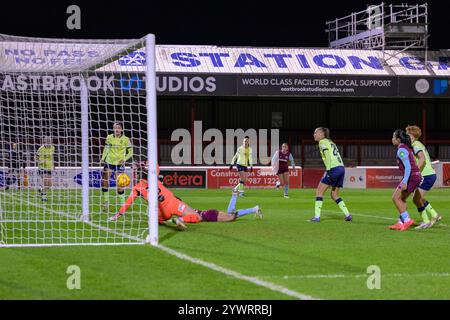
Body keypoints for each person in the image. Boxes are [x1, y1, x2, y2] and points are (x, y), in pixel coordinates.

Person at [109, 162, 263, 230]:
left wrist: (118, 214)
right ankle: (181, 219)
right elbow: (155, 167)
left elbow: (128, 202)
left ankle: (248, 205)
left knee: (158, 219)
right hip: (179, 207)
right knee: (207, 216)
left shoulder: (137, 187)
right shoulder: (154, 179)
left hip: (160, 214)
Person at [310, 127, 352, 222]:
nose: (314, 135)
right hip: (341, 168)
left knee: (319, 192)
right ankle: (348, 215)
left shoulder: (322, 142)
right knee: (334, 194)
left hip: (333, 169)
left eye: (315, 132)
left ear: (321, 133)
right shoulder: (331, 142)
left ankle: (317, 217)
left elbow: (328, 155)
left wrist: (328, 170)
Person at [405, 125, 442, 229]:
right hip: (427, 175)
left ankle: (426, 221)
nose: (405, 136)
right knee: (417, 198)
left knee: (416, 199)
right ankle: (434, 215)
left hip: (427, 175)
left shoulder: (415, 145)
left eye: (407, 134)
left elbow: (422, 160)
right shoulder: (416, 144)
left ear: (412, 135)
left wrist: (415, 172)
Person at [388, 129, 422, 231]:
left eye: (394, 137)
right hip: (414, 176)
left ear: (398, 140)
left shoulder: (401, 150)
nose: (392, 139)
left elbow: (408, 167)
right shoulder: (405, 148)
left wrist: (405, 182)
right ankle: (400, 222)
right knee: (401, 199)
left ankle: (407, 220)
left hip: (411, 177)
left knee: (395, 198)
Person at [100, 123, 133, 211]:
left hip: (119, 164)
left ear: (122, 129)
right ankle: (106, 202)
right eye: (115, 128)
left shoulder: (126, 139)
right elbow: (106, 148)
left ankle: (122, 205)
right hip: (109, 162)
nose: (117, 129)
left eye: (119, 128)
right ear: (113, 129)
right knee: (105, 182)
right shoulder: (109, 137)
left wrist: (124, 159)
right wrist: (103, 158)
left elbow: (130, 152)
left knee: (120, 184)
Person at [36, 137, 55, 202]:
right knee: (45, 181)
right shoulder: (41, 148)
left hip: (49, 167)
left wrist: (53, 165)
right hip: (42, 167)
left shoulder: (53, 148)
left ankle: (41, 190)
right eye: (47, 141)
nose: (49, 142)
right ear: (45, 142)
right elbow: (35, 157)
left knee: (50, 184)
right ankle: (44, 197)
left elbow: (52, 157)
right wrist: (40, 162)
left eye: (50, 141)